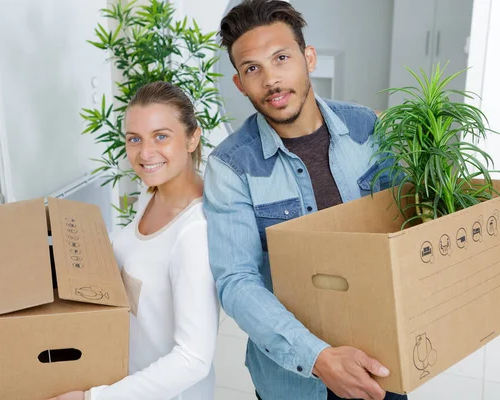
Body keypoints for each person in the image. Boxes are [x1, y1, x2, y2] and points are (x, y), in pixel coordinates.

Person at [202, 1, 406, 400]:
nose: (271, 80)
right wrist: (319, 358)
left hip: (383, 361)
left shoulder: (366, 127)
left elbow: (408, 225)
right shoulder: (230, 166)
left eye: (281, 58)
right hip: (294, 381)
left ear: (308, 57)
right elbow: (236, 281)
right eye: (252, 69)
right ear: (240, 83)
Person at [49, 81, 219, 400]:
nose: (145, 153)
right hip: (124, 375)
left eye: (161, 136)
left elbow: (193, 360)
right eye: (134, 139)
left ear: (192, 138)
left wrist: (91, 399)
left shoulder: (195, 232)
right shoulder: (153, 192)